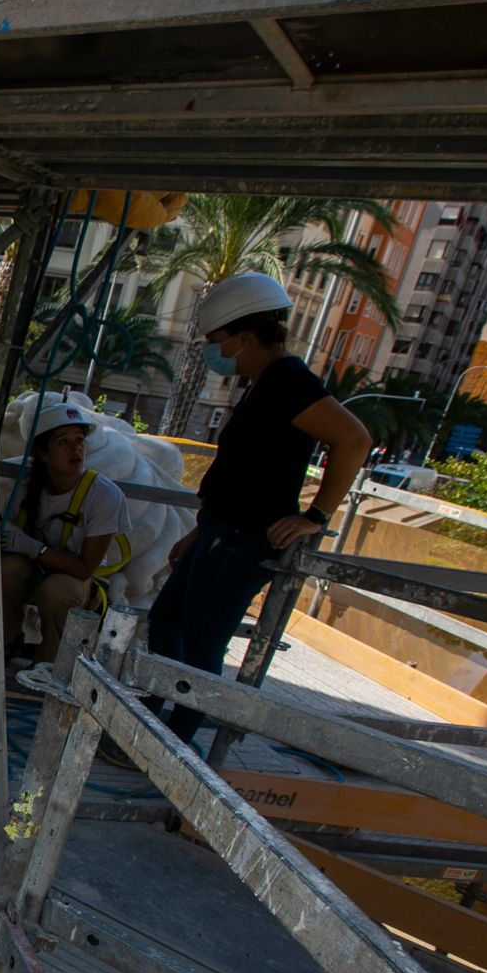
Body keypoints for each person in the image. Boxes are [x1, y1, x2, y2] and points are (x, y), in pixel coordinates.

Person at [145, 271, 373, 742]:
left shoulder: (288, 381)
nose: (214, 352)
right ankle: (147, 716)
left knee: (202, 649)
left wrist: (315, 516)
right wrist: (198, 531)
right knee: (167, 624)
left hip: (240, 541)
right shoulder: (266, 383)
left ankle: (171, 741)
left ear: (245, 336)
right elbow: (240, 471)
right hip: (219, 533)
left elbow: (353, 439)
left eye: (217, 341)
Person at [0, 403, 131, 671]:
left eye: (79, 441)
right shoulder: (26, 488)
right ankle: (4, 643)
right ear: (42, 453)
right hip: (34, 570)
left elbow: (85, 569)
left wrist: (35, 549)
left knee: (58, 590)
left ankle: (50, 667)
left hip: (75, 581)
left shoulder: (103, 495)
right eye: (63, 442)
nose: (76, 449)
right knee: (5, 570)